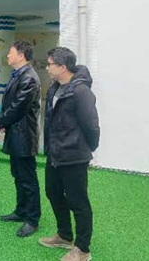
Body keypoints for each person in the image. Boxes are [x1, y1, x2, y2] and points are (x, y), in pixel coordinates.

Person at [39, 47, 100, 261]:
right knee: (53, 192)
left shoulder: (81, 91)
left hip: (74, 155)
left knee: (78, 201)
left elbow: (91, 125)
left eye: (49, 64)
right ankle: (64, 235)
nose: (47, 68)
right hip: (55, 153)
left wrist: (86, 148)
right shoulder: (55, 88)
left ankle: (82, 249)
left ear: (63, 67)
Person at [0, 41, 42, 238]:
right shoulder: (18, 74)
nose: (8, 55)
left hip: (24, 135)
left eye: (11, 52)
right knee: (18, 175)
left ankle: (32, 219)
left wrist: (2, 121)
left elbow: (19, 106)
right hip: (16, 133)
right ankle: (21, 210)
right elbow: (11, 104)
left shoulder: (29, 77)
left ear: (21, 55)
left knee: (28, 179)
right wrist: (5, 122)